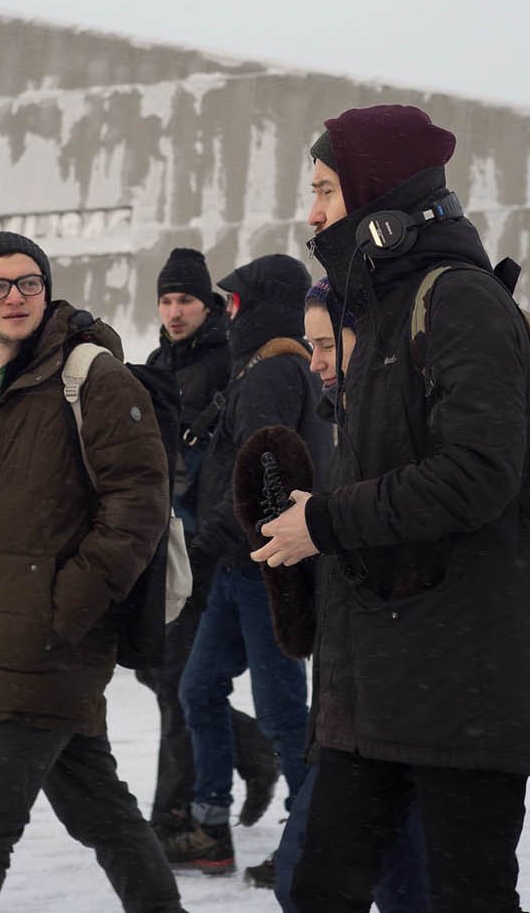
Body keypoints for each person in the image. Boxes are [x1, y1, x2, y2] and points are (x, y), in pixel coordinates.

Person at [253, 105, 530, 913]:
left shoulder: (459, 303)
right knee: (320, 893)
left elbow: (477, 474)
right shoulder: (380, 310)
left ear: (376, 191)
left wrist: (325, 521)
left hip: (464, 688)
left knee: (467, 900)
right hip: (376, 683)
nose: (312, 212)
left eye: (323, 188)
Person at [0, 230, 185, 913]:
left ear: (47, 290)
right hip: (3, 639)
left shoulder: (92, 377)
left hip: (48, 643)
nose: (15, 297)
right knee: (102, 813)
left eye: (29, 282)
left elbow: (139, 502)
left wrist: (66, 607)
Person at [263, 278, 429, 912]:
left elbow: (420, 545)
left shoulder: (397, 429)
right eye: (310, 345)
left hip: (405, 710)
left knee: (314, 882)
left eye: (328, 344)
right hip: (352, 707)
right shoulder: (347, 426)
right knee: (396, 888)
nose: (316, 362)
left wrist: (327, 526)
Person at [166, 254, 331, 876]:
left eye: (235, 304)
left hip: (264, 570)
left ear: (260, 307)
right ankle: (213, 828)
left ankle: (307, 844)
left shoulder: (273, 374)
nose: (226, 313)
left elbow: (266, 477)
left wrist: (204, 542)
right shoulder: (267, 368)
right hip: (243, 570)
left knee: (284, 714)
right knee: (198, 689)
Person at [138, 247, 281, 840]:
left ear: (209, 305)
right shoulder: (154, 362)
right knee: (165, 675)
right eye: (167, 300)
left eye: (185, 300)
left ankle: (177, 820)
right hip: (160, 541)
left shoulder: (228, 362)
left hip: (206, 547)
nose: (175, 311)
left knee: (179, 682)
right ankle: (254, 753)